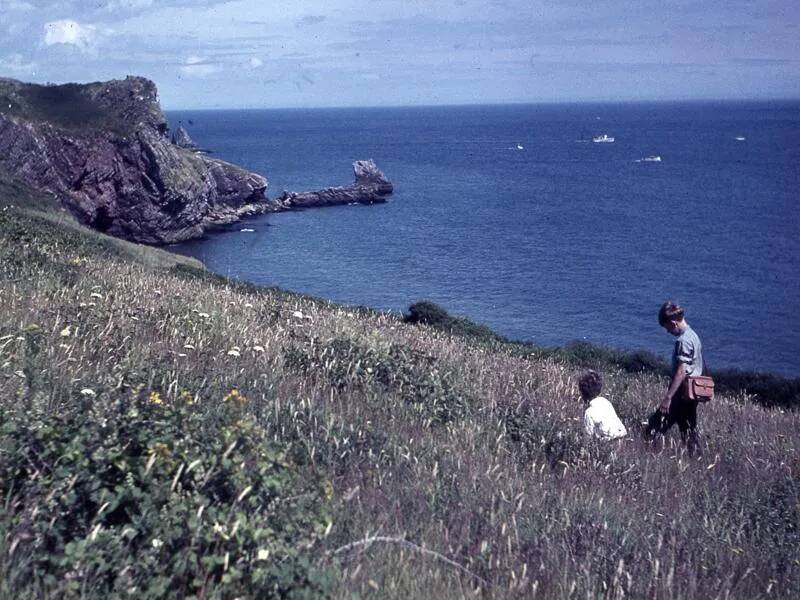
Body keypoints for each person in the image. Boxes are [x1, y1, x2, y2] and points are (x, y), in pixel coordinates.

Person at [646, 301, 705, 450]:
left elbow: (681, 371)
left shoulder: (683, 341)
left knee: (653, 428)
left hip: (680, 394)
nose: (668, 332)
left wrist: (668, 397)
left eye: (667, 328)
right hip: (692, 394)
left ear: (673, 323)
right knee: (689, 432)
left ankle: (651, 456)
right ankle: (696, 463)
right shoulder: (693, 336)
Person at [579, 370, 627, 440]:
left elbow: (588, 439)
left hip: (608, 442)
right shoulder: (606, 402)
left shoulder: (589, 413)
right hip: (621, 436)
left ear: (583, 393)